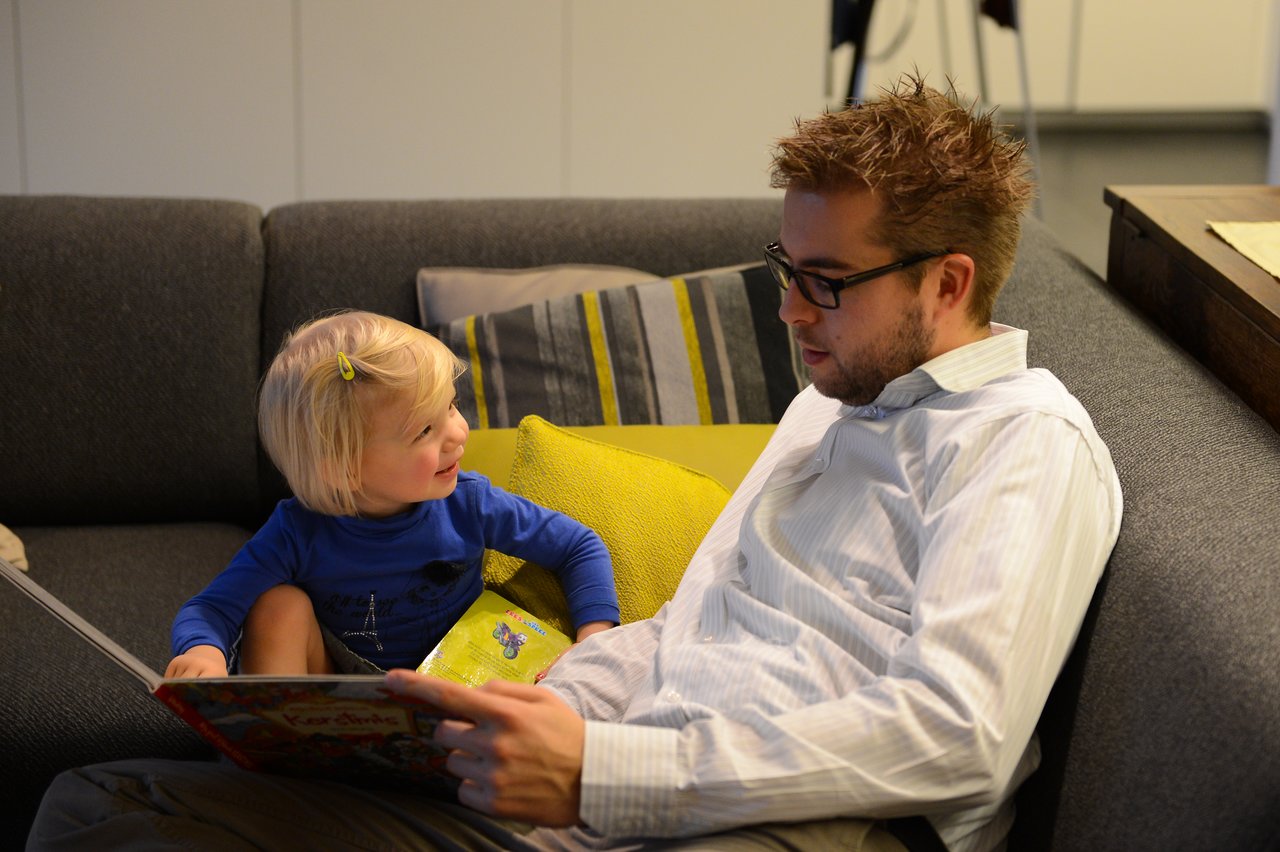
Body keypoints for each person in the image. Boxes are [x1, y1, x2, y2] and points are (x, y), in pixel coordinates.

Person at [29, 75, 1120, 852]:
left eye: (824, 282)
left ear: (946, 282)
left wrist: (605, 770)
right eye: (786, 268)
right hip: (616, 780)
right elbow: (694, 628)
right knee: (102, 805)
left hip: (802, 821)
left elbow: (958, 738)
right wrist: (507, 709)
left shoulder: (1020, 446)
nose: (788, 310)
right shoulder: (830, 406)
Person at [165, 310, 618, 680]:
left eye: (452, 406)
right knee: (278, 605)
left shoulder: (468, 503)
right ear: (343, 470)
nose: (459, 434)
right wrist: (204, 652)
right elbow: (210, 608)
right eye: (425, 429)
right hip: (338, 692)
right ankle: (274, 757)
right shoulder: (296, 532)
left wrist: (591, 641)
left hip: (456, 682)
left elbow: (578, 545)